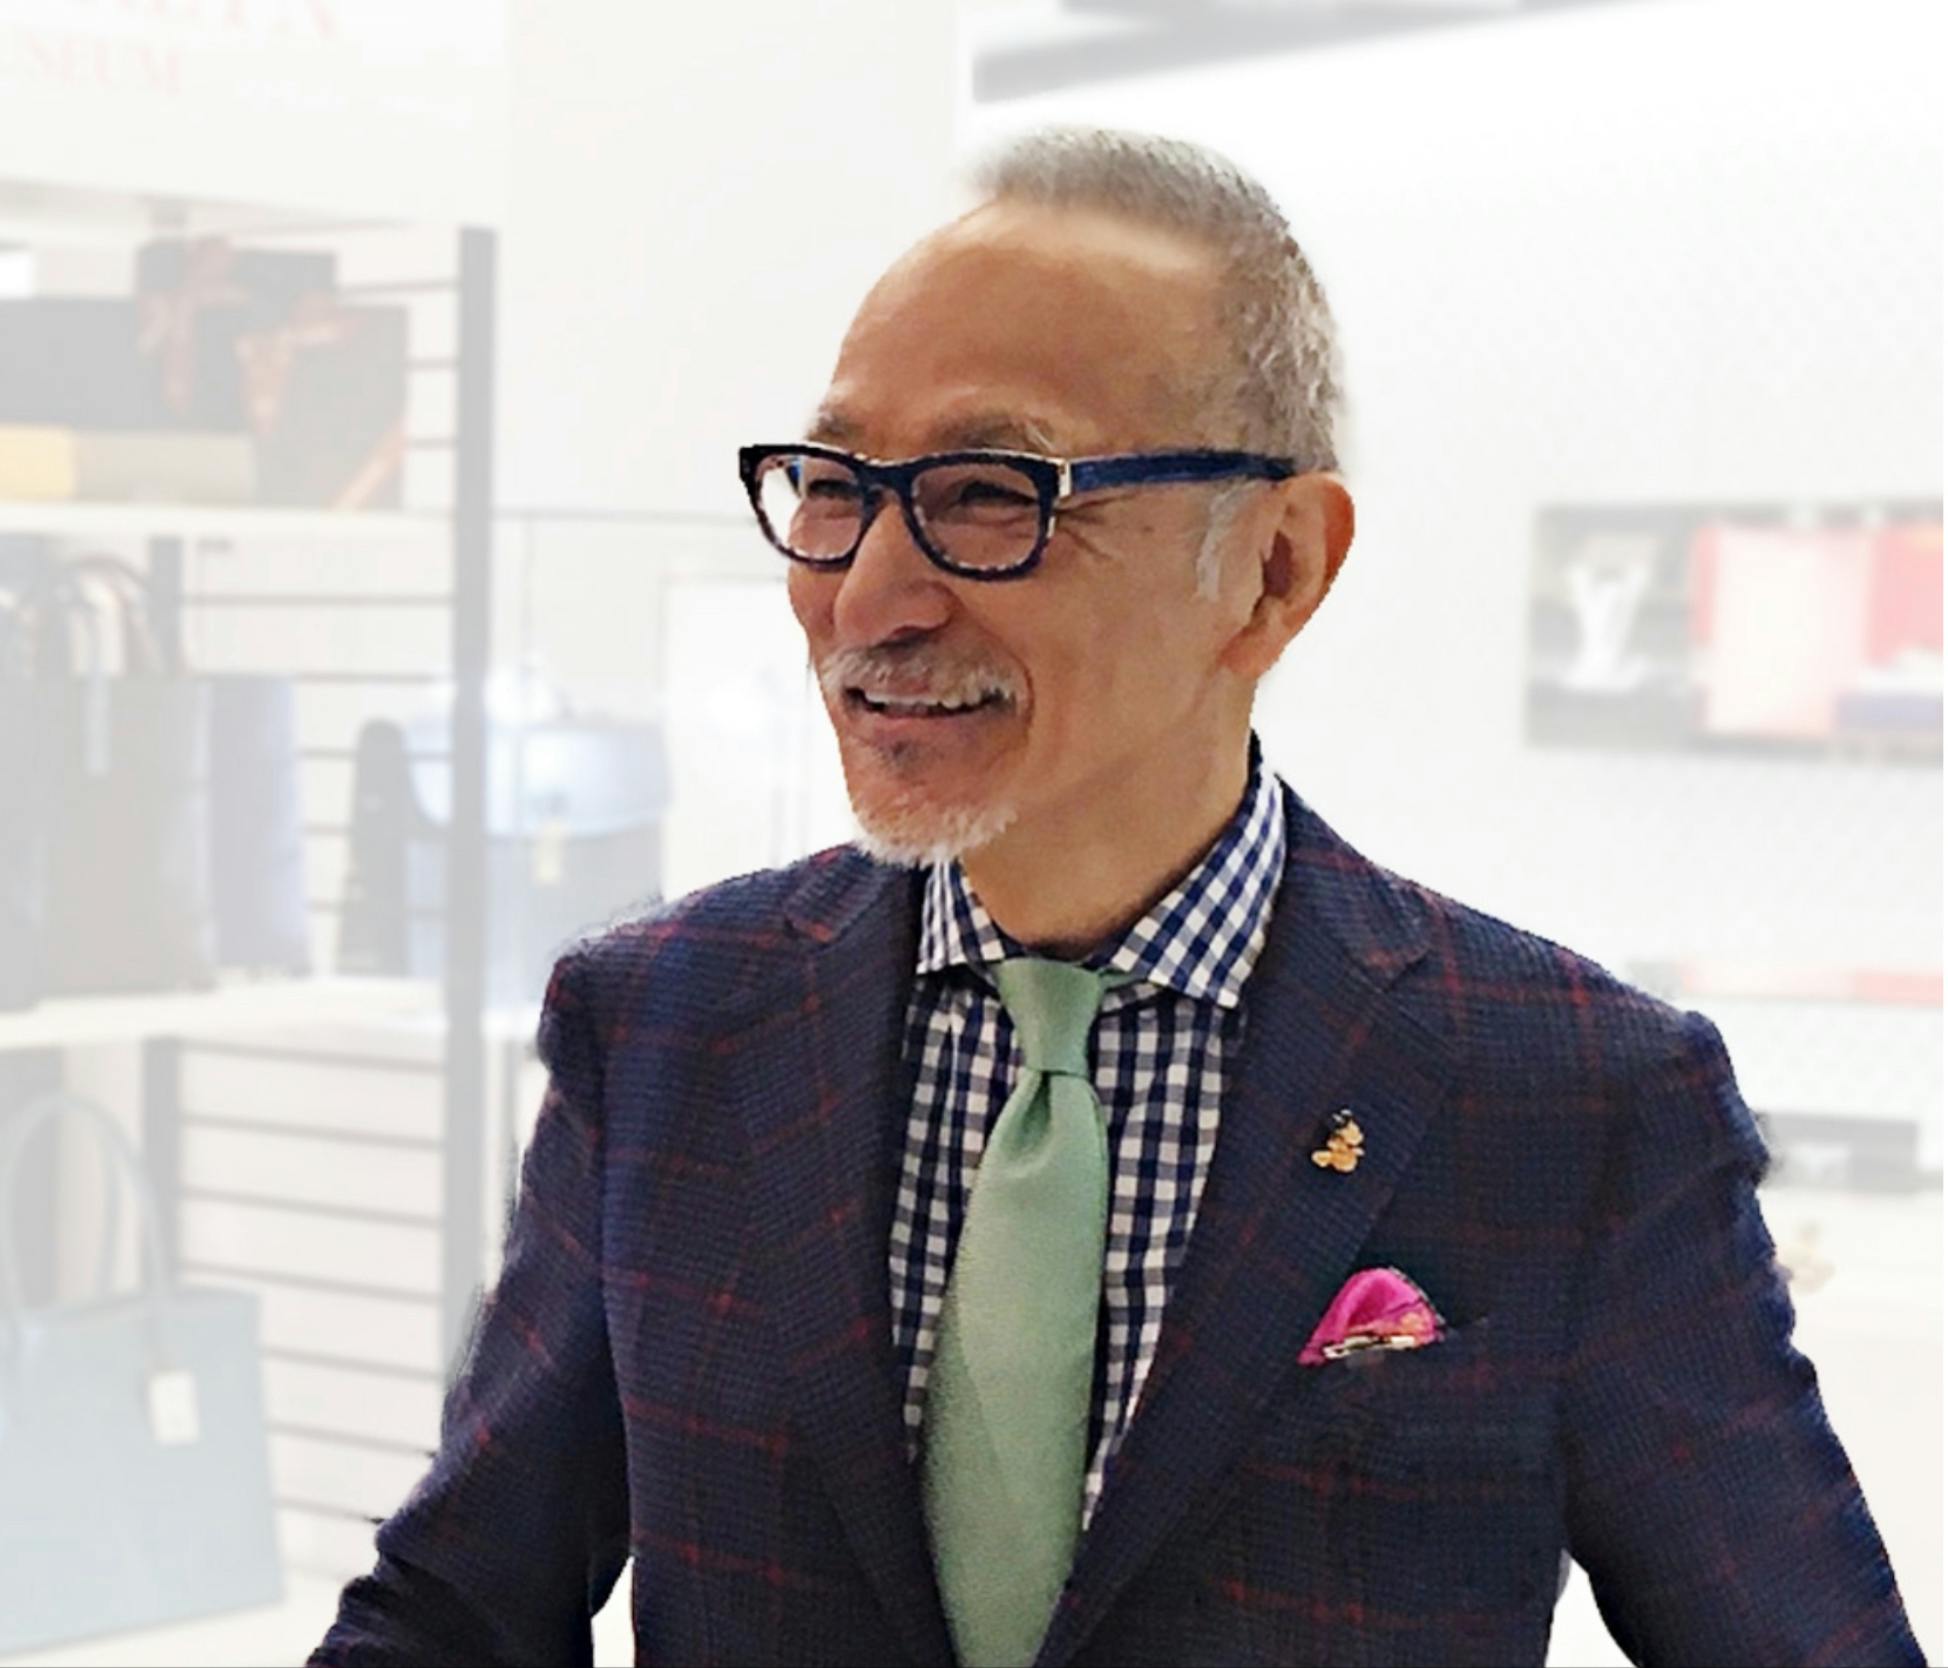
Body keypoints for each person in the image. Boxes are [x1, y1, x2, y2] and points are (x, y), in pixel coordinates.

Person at [308, 127, 1922, 1668]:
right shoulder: (668, 1024)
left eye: (991, 494)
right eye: (835, 485)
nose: (867, 597)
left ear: (1277, 567)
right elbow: (457, 1614)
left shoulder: (1567, 1095)